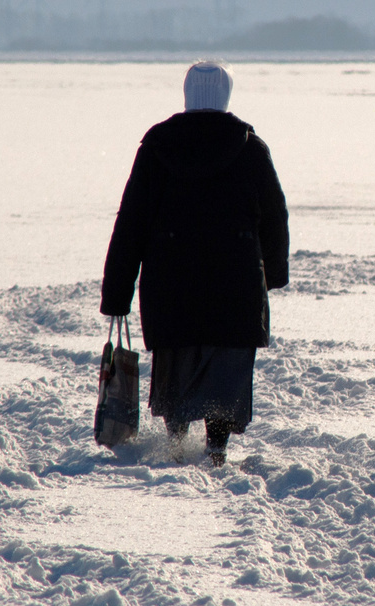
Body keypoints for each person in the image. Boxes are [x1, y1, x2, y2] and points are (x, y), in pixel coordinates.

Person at [101, 62, 289, 467]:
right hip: (235, 287)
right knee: (225, 368)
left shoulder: (157, 150)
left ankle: (175, 444)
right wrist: (273, 274)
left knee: (175, 364)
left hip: (171, 287)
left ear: (187, 93)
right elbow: (275, 216)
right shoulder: (251, 149)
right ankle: (216, 449)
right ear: (226, 95)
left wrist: (117, 292)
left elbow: (130, 222)